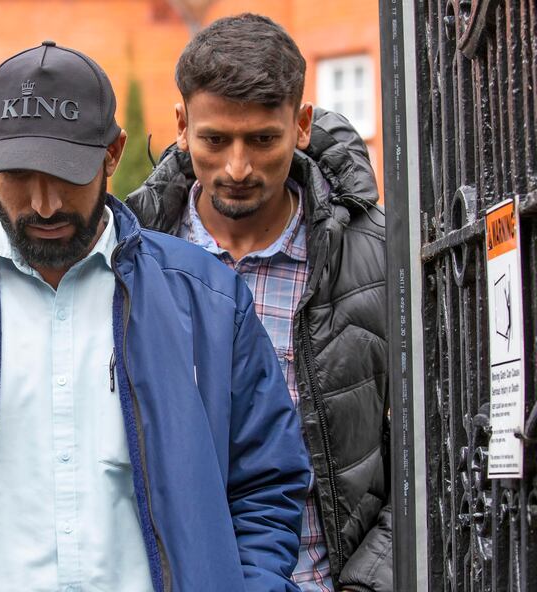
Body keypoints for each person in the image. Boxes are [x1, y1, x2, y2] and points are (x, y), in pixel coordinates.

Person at [0, 41, 310, 592]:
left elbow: (267, 485)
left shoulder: (211, 303)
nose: (44, 204)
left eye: (68, 174)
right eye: (19, 175)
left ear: (113, 154)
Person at [127, 14, 390, 592]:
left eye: (262, 140)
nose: (237, 168)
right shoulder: (131, 258)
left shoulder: (373, 256)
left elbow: (432, 446)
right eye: (215, 140)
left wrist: (369, 583)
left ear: (299, 126)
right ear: (181, 126)